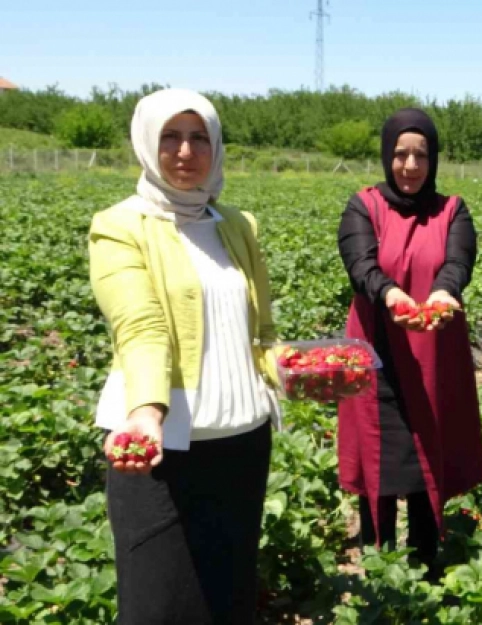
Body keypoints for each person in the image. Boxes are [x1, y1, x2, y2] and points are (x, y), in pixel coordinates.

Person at [89, 88, 282, 624]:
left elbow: (258, 328)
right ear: (147, 144)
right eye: (170, 136)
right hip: (161, 450)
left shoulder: (236, 225)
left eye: (199, 137)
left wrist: (291, 370)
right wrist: (147, 411)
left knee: (227, 599)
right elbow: (140, 323)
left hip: (242, 444)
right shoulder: (120, 226)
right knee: (158, 606)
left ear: (216, 146)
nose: (185, 150)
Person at [336, 108, 482, 571]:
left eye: (421, 155)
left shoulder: (452, 210)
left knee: (428, 449)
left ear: (433, 158)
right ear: (387, 155)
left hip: (433, 347)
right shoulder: (363, 206)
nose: (411, 165)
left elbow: (458, 262)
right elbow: (361, 264)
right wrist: (393, 295)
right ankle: (379, 567)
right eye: (401, 154)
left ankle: (426, 562)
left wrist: (442, 292)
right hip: (376, 350)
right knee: (375, 457)